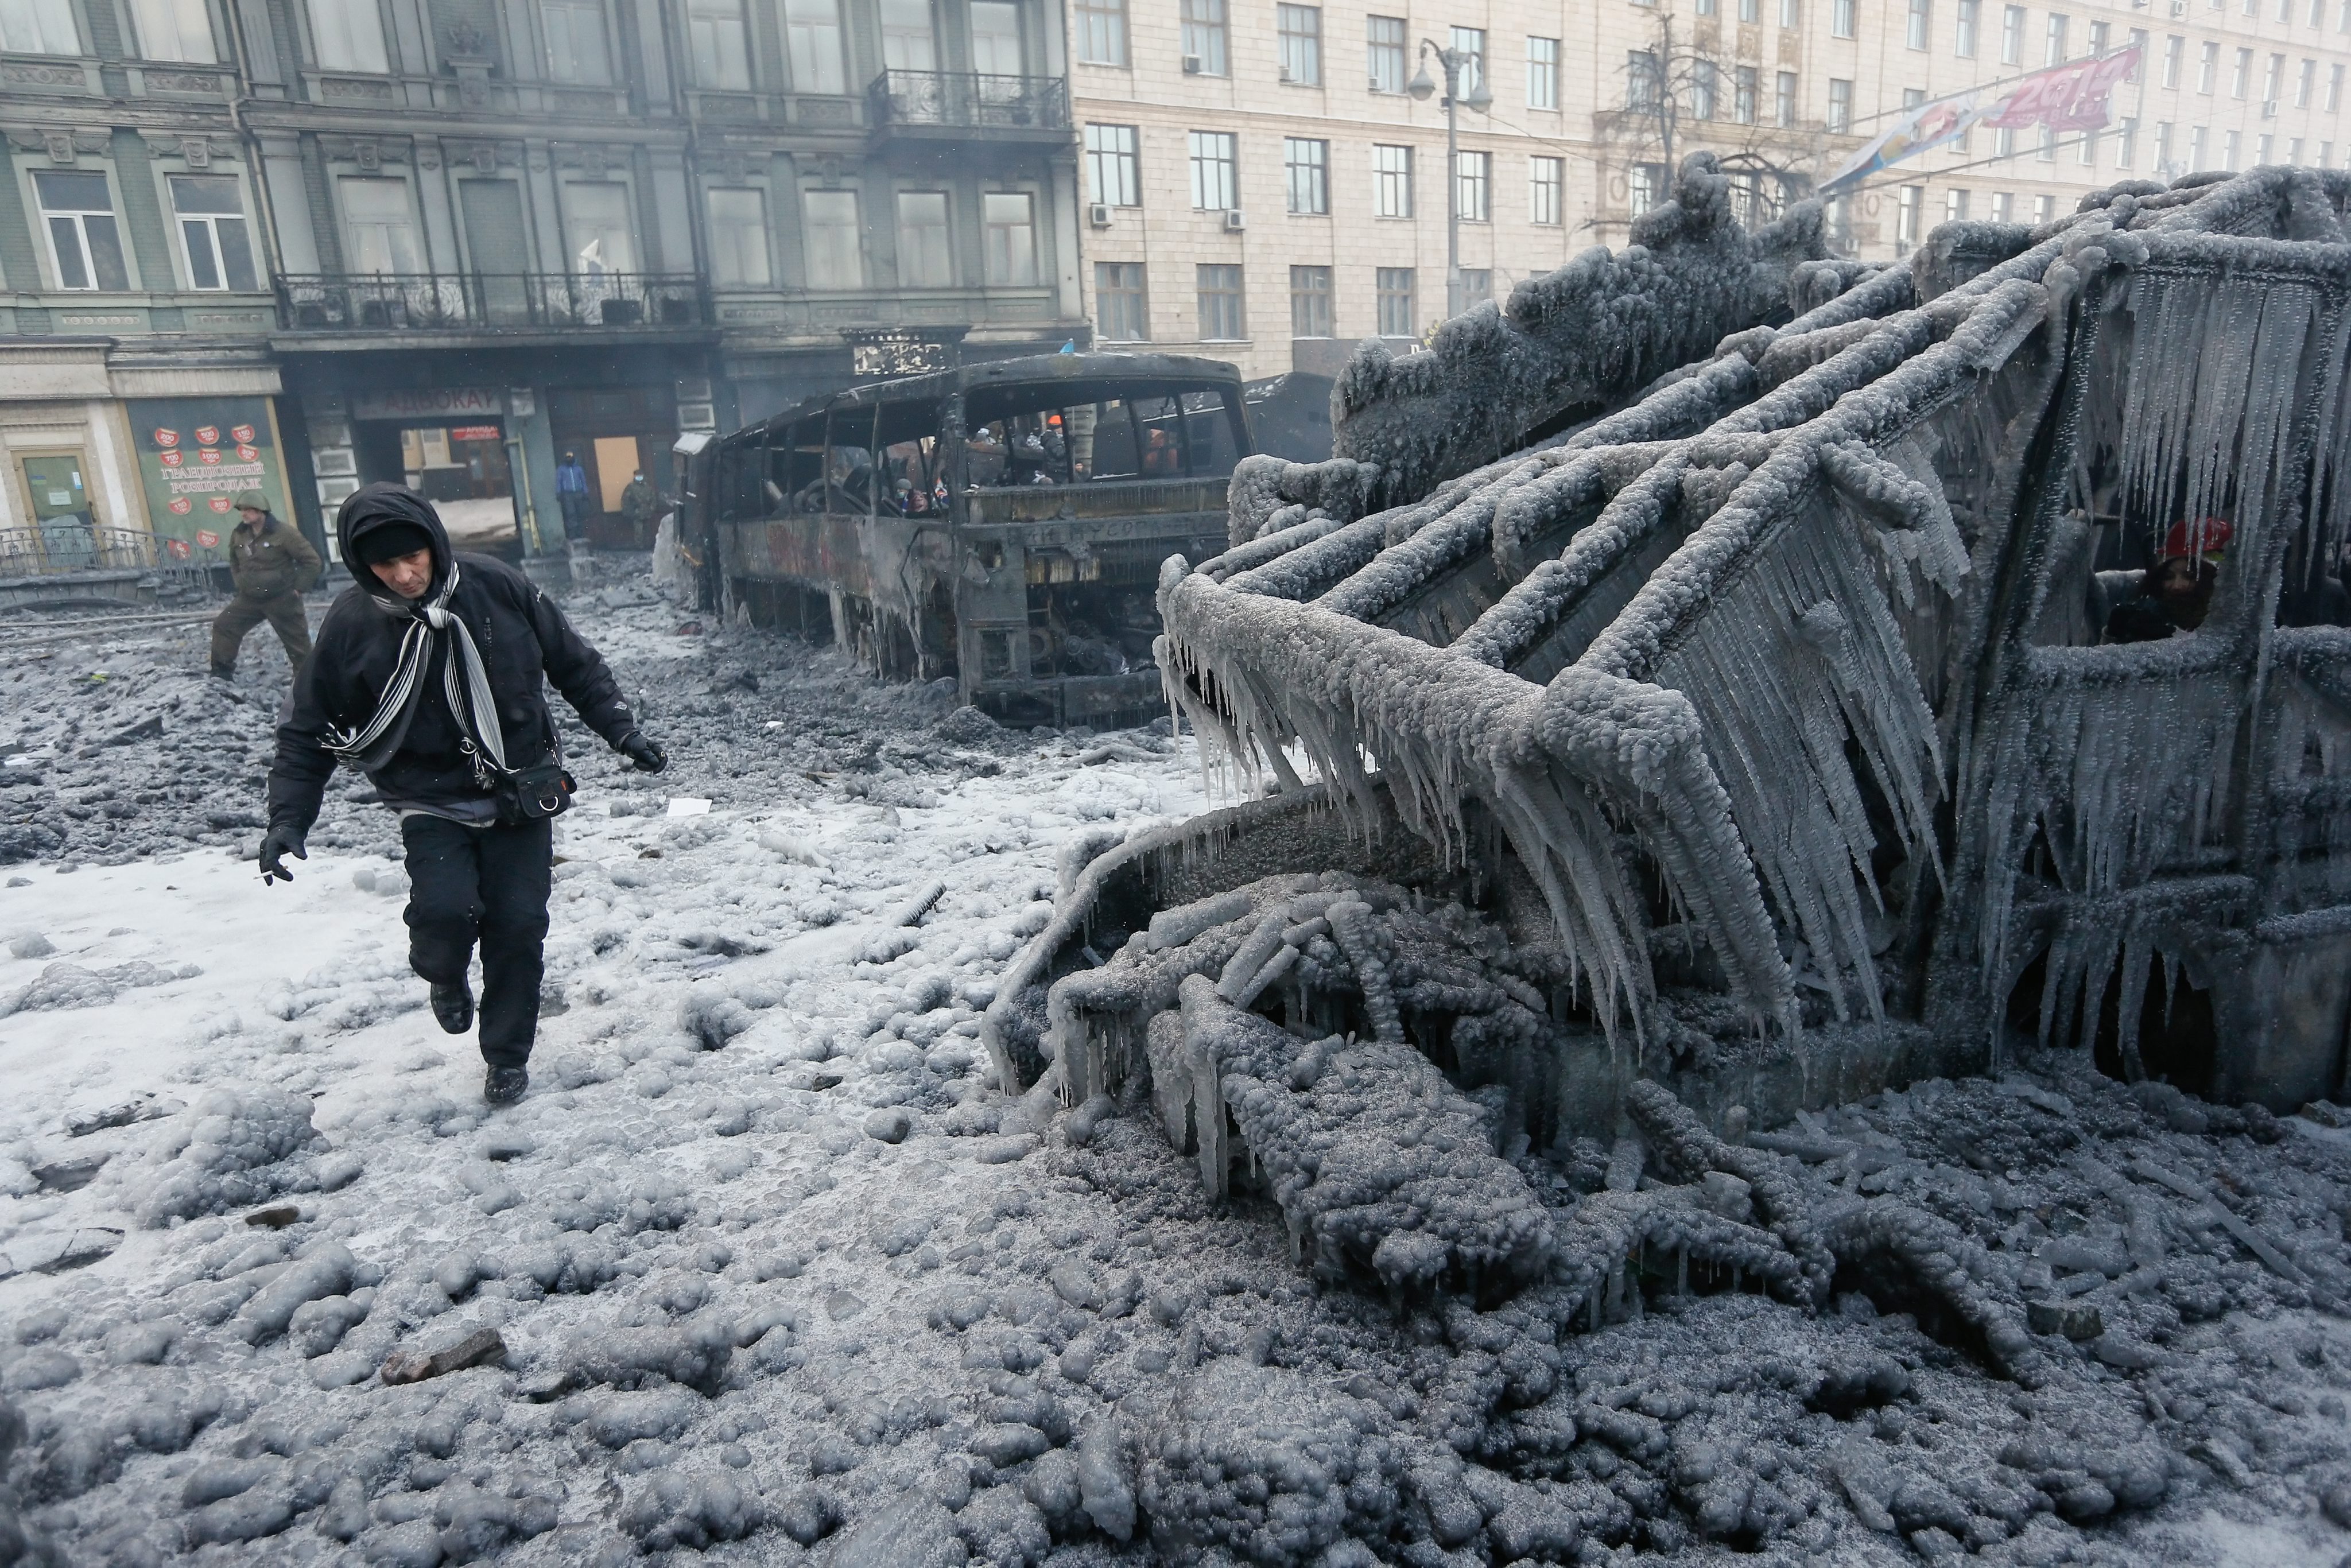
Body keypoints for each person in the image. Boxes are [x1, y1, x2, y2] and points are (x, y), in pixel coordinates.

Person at [258, 484, 668, 1106]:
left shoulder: (496, 586)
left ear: (435, 543)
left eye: (413, 557)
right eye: (384, 565)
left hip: (521, 788)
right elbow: (306, 728)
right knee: (447, 912)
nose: (403, 574)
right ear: (360, 565)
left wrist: (622, 730)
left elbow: (572, 662)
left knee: (519, 925)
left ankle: (506, 1056)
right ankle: (442, 972)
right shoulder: (352, 623)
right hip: (430, 798)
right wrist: (288, 820)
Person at [209, 488, 321, 680]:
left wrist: (298, 588)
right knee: (224, 625)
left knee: (299, 645)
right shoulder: (240, 534)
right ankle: (221, 674)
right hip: (250, 599)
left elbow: (312, 561)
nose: (243, 514)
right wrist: (240, 582)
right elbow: (235, 561)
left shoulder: (284, 534)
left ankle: (308, 683)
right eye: (242, 510)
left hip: (281, 599)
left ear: (261, 511)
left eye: (248, 509)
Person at [2105, 517, 2232, 644]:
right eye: (2168, 577)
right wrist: (2112, 636)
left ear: (2217, 579)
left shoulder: (2234, 625)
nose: (2177, 586)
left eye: (2190, 576)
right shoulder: (2145, 616)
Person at [555, 451, 591, 541]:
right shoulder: (561, 469)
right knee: (571, 513)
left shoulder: (579, 469)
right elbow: (559, 482)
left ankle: (580, 532)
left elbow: (583, 481)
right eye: (568, 457)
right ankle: (573, 534)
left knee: (580, 513)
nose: (569, 459)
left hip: (578, 493)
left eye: (571, 457)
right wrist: (558, 492)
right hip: (568, 495)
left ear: (574, 457)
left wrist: (585, 492)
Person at [619, 468, 658, 541]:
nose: (639, 477)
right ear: (634, 476)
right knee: (639, 532)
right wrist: (632, 512)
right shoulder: (631, 487)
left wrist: (652, 508)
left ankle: (648, 545)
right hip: (636, 513)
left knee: (648, 531)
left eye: (641, 475)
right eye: (637, 475)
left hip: (647, 512)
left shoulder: (647, 487)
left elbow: (653, 498)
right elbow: (626, 501)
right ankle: (640, 547)